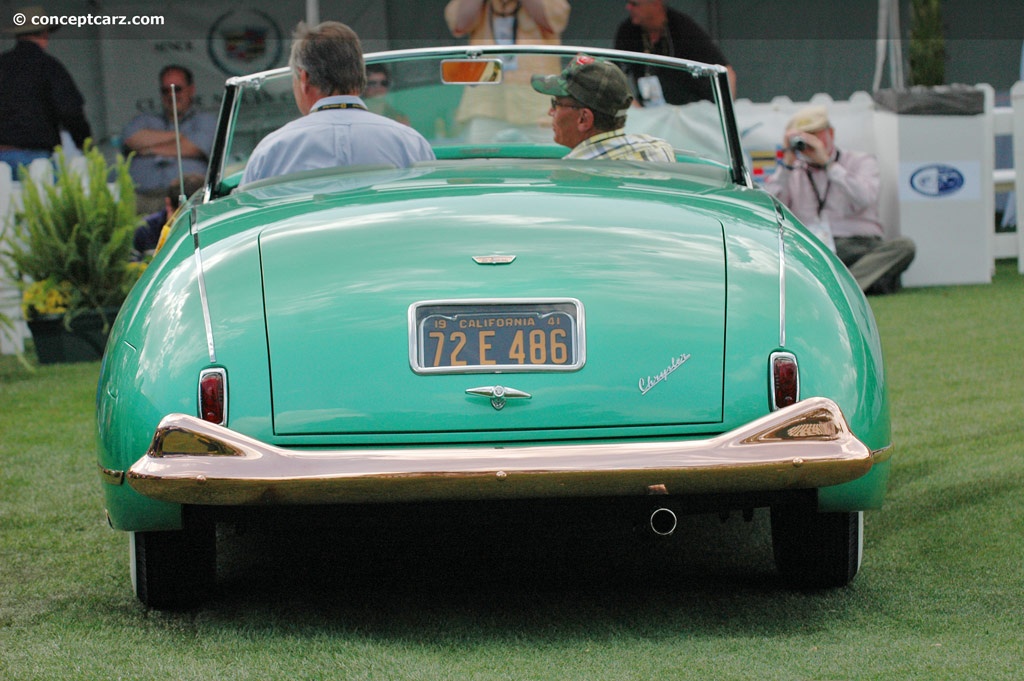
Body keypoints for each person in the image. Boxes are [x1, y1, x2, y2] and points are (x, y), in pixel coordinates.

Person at [241, 21, 434, 186]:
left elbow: (247, 219)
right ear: (360, 77)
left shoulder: (272, 151)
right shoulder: (410, 143)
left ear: (304, 78)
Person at [765, 105, 915, 295]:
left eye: (816, 135)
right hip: (813, 247)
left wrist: (829, 165)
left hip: (858, 245)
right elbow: (769, 208)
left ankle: (836, 291)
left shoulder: (861, 161)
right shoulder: (792, 171)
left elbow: (866, 197)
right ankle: (858, 284)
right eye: (804, 138)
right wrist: (786, 164)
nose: (810, 143)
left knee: (904, 247)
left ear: (831, 134)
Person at [444, 0, 571, 142]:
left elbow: (551, 21)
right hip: (486, 102)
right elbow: (460, 24)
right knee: (480, 160)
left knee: (548, 161)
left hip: (537, 104)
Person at [0, 7, 91, 177]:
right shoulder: (49, 66)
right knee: (48, 200)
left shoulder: (3, 64)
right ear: (44, 34)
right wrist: (85, 144)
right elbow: (70, 110)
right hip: (35, 156)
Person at [531, 54, 676, 161]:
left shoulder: (572, 171)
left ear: (584, 119)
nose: (551, 112)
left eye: (556, 104)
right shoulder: (660, 150)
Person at [122, 65, 217, 214]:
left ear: (191, 90)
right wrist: (180, 136)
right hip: (141, 199)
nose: (171, 95)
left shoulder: (205, 119)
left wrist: (148, 149)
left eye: (177, 89)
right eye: (165, 90)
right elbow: (131, 139)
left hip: (187, 200)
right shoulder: (145, 119)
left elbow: (194, 146)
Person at [613, 0, 736, 105]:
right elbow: (615, 76)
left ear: (655, 3)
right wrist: (634, 108)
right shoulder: (627, 31)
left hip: (689, 110)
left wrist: (725, 111)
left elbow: (727, 71)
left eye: (634, 4)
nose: (628, 7)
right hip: (651, 110)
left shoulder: (682, 27)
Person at [131, 173, 205, 261]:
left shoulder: (207, 229)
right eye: (180, 218)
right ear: (168, 204)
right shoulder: (144, 230)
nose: (188, 227)